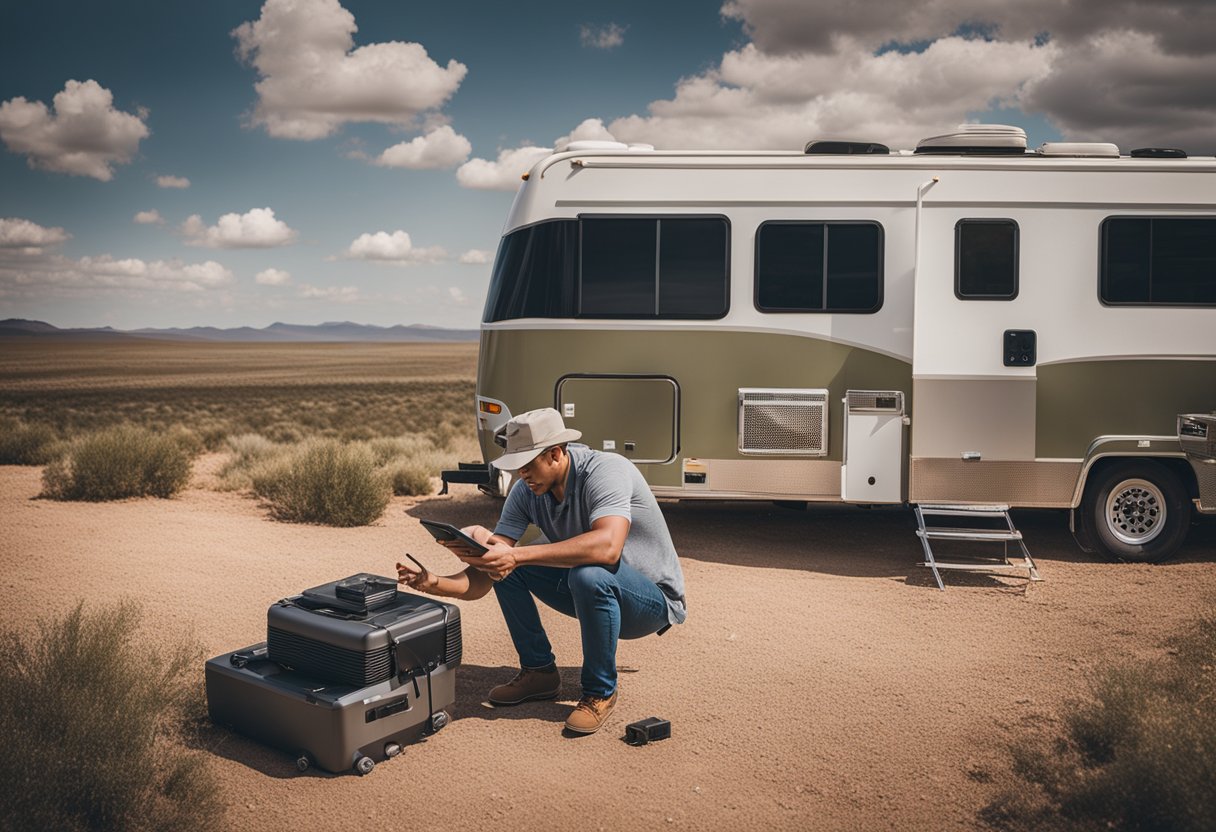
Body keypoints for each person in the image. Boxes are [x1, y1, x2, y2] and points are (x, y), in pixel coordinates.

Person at [398, 407, 687, 735]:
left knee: (585, 573)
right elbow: (489, 577)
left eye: (528, 465)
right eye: (517, 467)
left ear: (555, 453)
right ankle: (539, 673)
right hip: (593, 590)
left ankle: (599, 691)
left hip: (649, 601)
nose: (522, 475)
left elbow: (608, 549)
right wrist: (433, 581)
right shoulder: (526, 491)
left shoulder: (606, 471)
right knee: (510, 567)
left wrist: (516, 556)